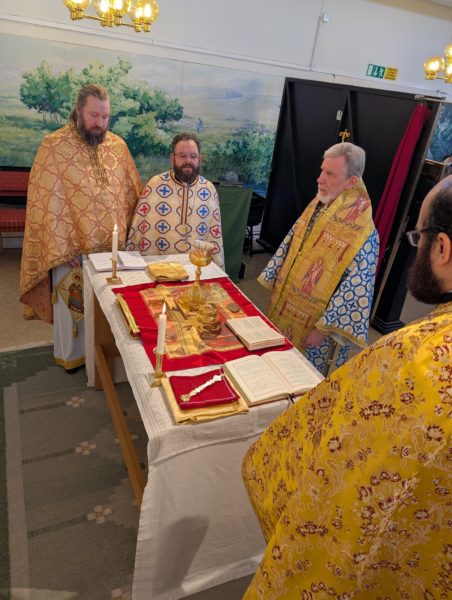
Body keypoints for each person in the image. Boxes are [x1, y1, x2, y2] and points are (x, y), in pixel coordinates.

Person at [242, 176, 452, 599]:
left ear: (442, 248)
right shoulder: (316, 210)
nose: (320, 179)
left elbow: (340, 464)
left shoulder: (415, 358)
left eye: (419, 238)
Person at [19, 83, 142, 372]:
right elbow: (45, 201)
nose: (100, 123)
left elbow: (131, 194)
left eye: (105, 116)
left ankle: (104, 359)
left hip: (111, 251)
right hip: (71, 252)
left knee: (109, 308)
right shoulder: (54, 145)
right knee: (73, 307)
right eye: (94, 115)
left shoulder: (118, 146)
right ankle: (73, 359)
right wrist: (63, 248)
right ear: (78, 111)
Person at [259, 142, 379, 374]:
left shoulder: (364, 232)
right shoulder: (320, 205)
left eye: (330, 174)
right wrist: (276, 283)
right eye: (322, 170)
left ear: (351, 182)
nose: (320, 179)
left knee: (301, 377)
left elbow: (357, 288)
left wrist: (323, 330)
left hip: (316, 330)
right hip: (285, 305)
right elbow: (291, 244)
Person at [126, 132, 225, 269]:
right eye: (182, 156)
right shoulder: (155, 185)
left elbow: (214, 235)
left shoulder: (209, 190)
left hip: (196, 267)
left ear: (199, 159)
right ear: (172, 158)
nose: (188, 161)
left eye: (193, 156)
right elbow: (140, 232)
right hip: (159, 266)